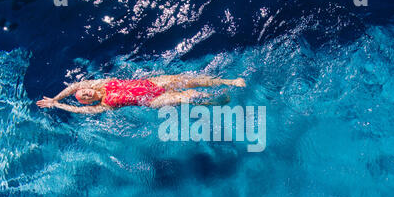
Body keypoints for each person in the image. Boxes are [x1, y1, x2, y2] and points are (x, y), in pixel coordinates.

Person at [36, 74, 246, 114]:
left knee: (189, 79)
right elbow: (78, 109)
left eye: (86, 90)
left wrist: (55, 98)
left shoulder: (101, 83)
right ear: (89, 101)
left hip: (151, 83)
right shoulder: (102, 105)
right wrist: (59, 106)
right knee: (190, 96)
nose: (88, 92)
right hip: (152, 100)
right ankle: (212, 102)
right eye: (87, 96)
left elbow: (73, 87)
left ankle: (230, 81)